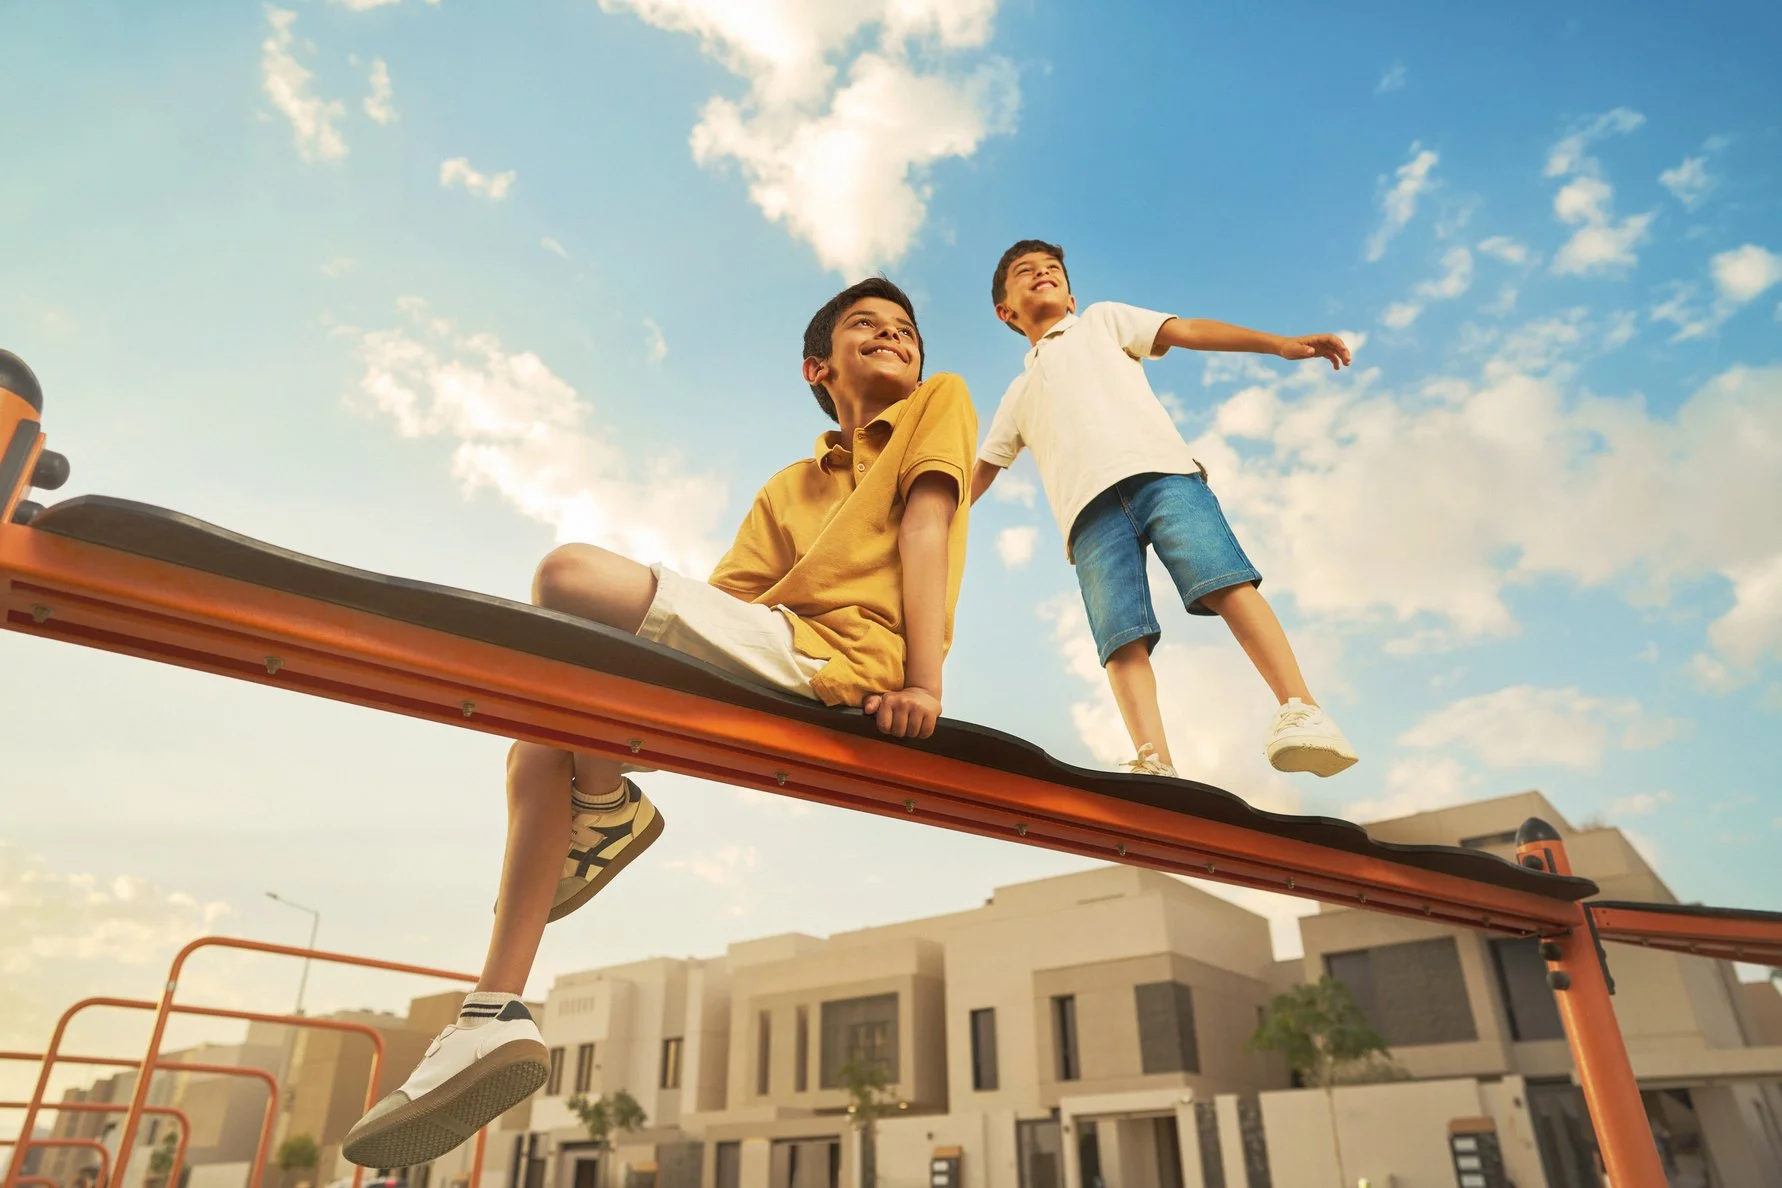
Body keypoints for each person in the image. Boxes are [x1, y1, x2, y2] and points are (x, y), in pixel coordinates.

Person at [341, 277, 977, 1168]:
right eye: (864, 327)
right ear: (817, 368)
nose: (892, 337)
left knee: (569, 577)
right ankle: (490, 1013)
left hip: (854, 661)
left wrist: (924, 684)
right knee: (536, 741)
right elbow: (725, 606)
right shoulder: (788, 487)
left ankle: (606, 807)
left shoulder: (937, 403)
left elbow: (928, 528)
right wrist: (627, 693)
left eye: (904, 329)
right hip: (773, 651)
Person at [971, 239, 1357, 779]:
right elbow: (978, 474)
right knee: (1120, 638)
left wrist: (1277, 344)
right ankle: (1155, 762)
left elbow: (1189, 330)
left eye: (1052, 268)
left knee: (1224, 581)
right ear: (1005, 310)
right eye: (1025, 271)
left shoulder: (1102, 321)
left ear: (1072, 294)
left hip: (1162, 475)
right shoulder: (1017, 393)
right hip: (1088, 519)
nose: (1042, 273)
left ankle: (1302, 710)